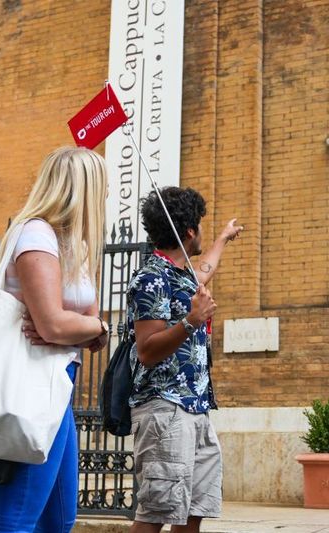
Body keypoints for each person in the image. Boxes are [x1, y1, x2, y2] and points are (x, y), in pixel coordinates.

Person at [0, 146, 111, 533]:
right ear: (83, 188)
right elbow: (56, 326)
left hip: (60, 385)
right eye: (103, 186)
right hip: (30, 386)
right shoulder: (36, 235)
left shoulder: (77, 247)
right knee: (15, 519)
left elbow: (90, 326)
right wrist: (85, 327)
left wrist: (94, 328)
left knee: (58, 520)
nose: (107, 194)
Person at [127, 187, 242, 533]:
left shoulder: (182, 275)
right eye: (202, 226)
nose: (204, 232)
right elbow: (147, 350)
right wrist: (192, 320)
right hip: (165, 409)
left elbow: (204, 270)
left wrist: (223, 238)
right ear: (190, 231)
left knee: (194, 511)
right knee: (156, 513)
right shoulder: (151, 278)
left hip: (196, 407)